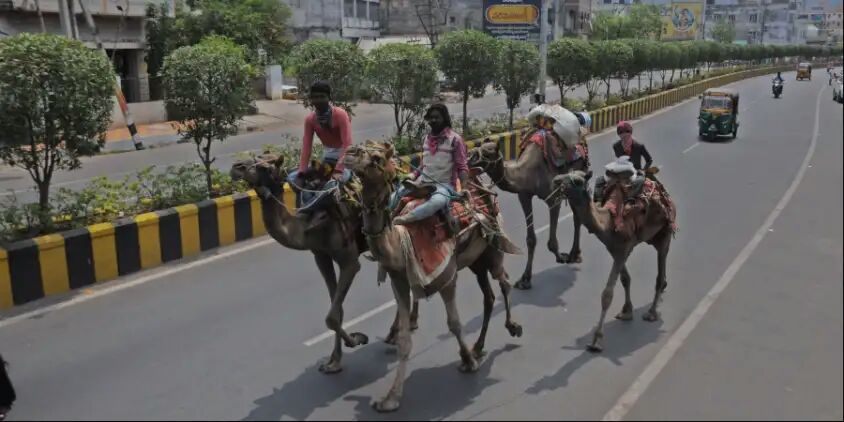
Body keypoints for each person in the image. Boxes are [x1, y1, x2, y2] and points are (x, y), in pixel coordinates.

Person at [286, 81, 353, 226]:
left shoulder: (340, 115)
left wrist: (338, 170)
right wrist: (302, 173)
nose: (318, 100)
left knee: (332, 185)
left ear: (329, 97)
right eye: (315, 97)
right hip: (327, 160)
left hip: (345, 160)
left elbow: (347, 144)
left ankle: (305, 211)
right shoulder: (310, 119)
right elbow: (306, 147)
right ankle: (315, 211)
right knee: (292, 178)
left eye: (322, 96)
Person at [392, 104, 469, 226]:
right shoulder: (426, 138)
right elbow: (424, 165)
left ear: (444, 118)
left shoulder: (455, 140)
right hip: (422, 182)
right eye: (431, 118)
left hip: (443, 185)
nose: (433, 120)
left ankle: (406, 219)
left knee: (437, 202)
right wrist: (412, 175)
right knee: (394, 195)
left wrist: (464, 188)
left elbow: (462, 167)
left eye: (437, 117)